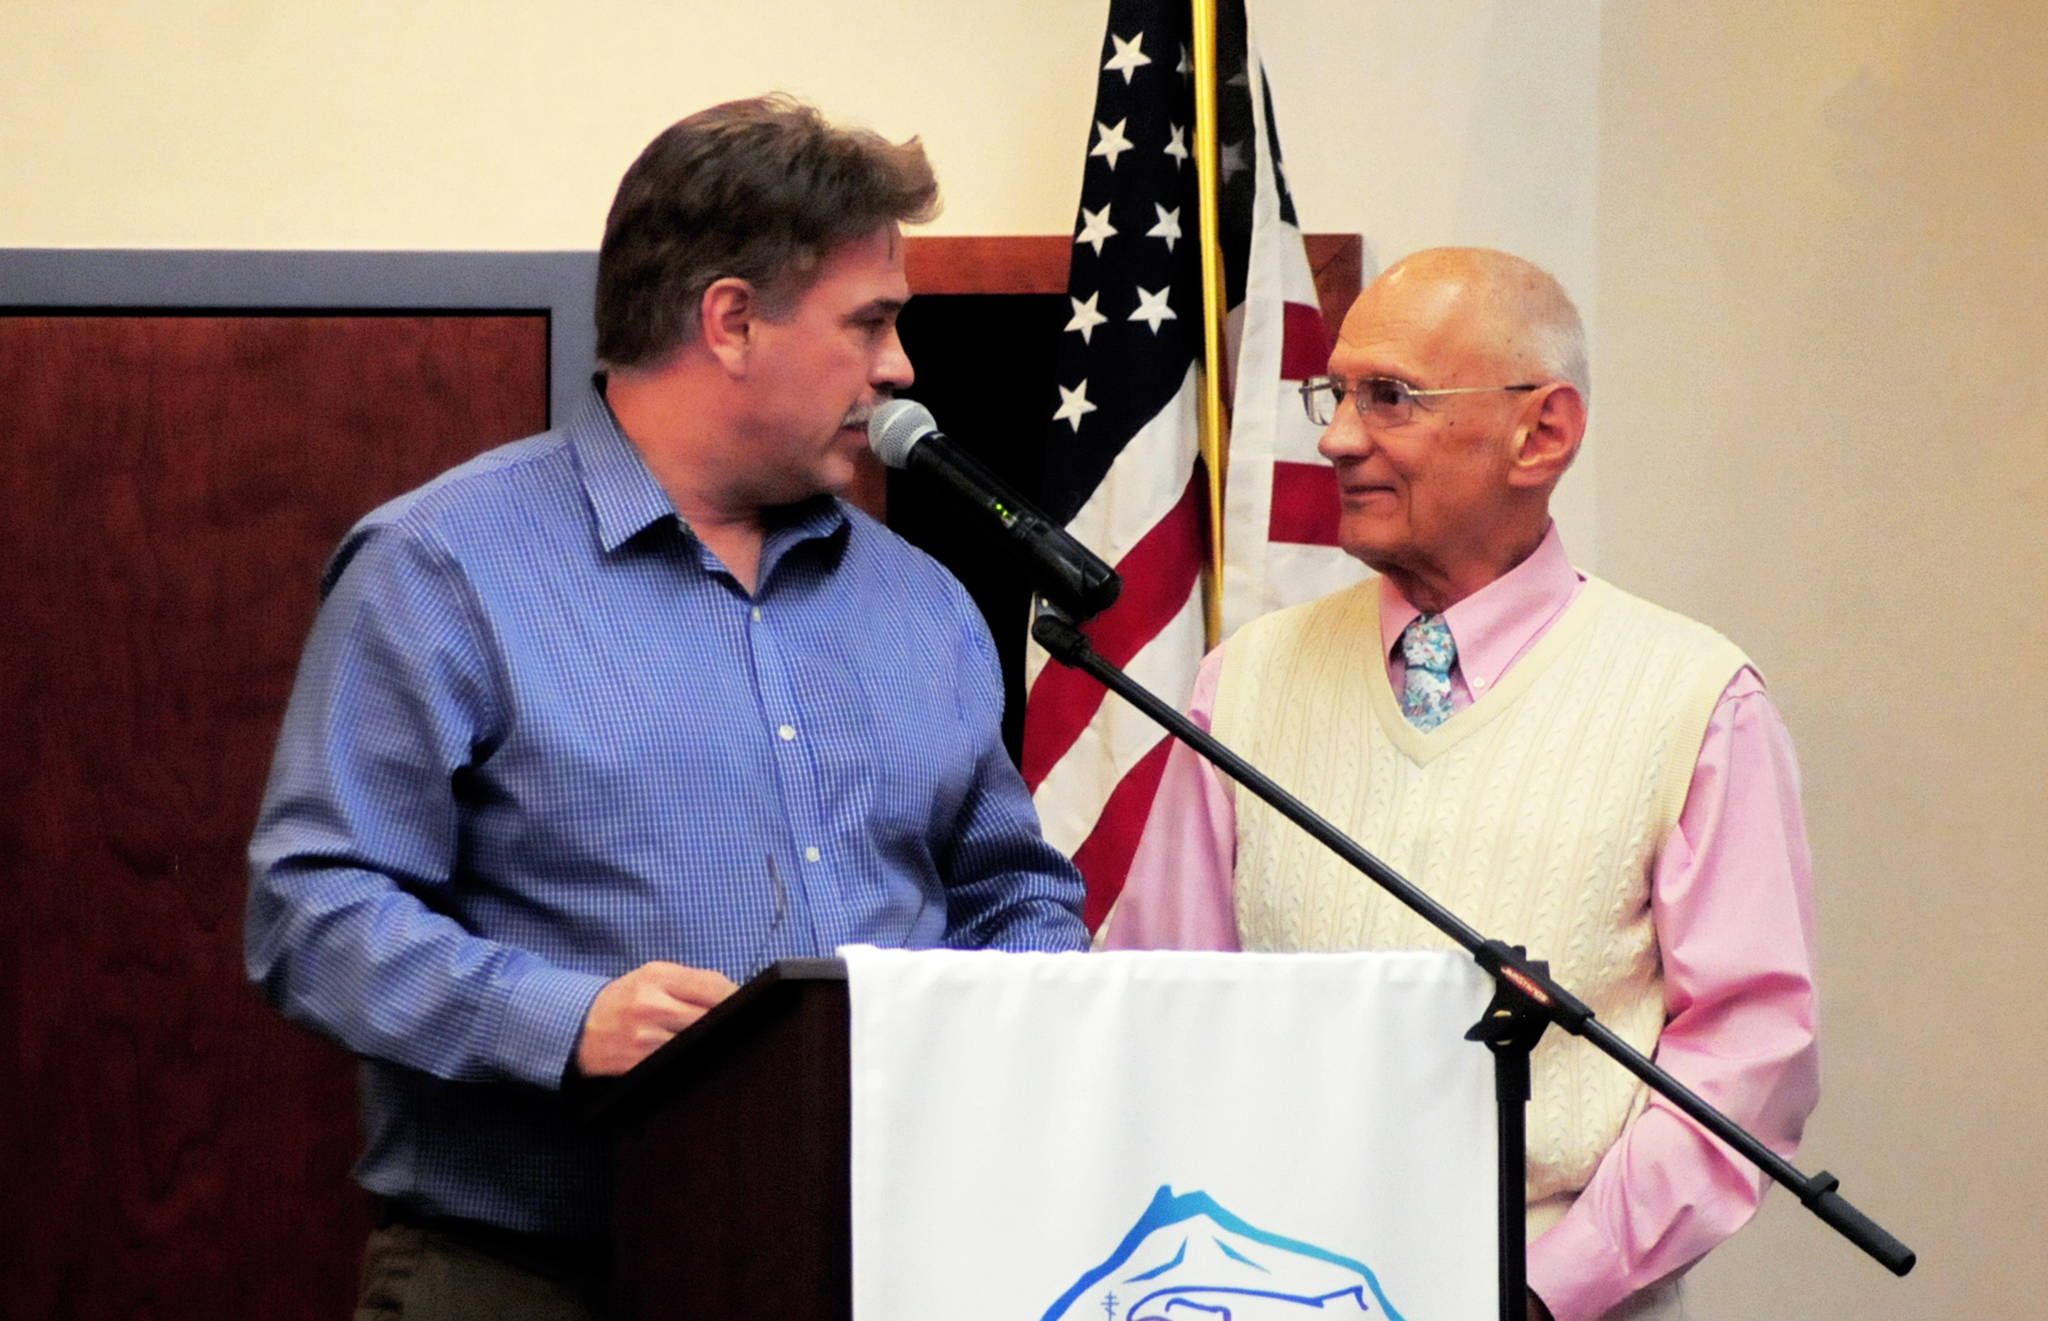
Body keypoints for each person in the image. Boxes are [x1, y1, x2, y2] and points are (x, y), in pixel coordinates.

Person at [245, 95, 1088, 1320]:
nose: (899, 367)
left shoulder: (925, 604)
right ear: (731, 320)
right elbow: (308, 911)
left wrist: (1006, 1017)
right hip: (536, 1277)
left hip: (885, 1267)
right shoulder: (445, 567)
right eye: (871, 323)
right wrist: (564, 1017)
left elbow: (1014, 890)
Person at [1099, 248, 1819, 1321]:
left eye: (1388, 397)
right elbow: (1164, 1008)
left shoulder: (1692, 699)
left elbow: (1747, 1062)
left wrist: (1535, 1293)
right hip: (1274, 1284)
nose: (1337, 436)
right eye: (1332, 394)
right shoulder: (1241, 682)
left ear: (1542, 432)